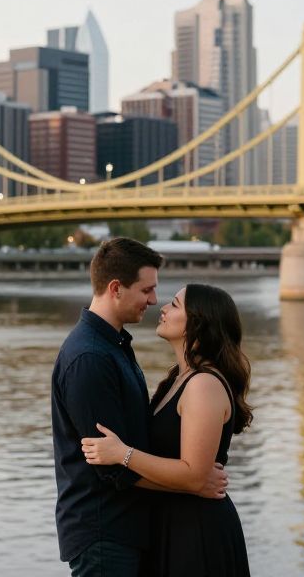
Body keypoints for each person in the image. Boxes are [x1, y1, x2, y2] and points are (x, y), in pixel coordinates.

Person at [51, 239, 229, 576]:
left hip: (128, 530)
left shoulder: (114, 346)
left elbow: (129, 445)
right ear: (116, 288)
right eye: (146, 290)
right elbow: (111, 470)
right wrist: (193, 482)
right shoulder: (90, 358)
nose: (153, 300)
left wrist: (191, 479)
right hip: (105, 531)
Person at [81, 283, 253, 577]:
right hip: (170, 524)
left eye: (174, 305)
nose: (161, 307)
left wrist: (122, 454)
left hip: (196, 532)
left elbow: (194, 475)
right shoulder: (179, 378)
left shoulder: (203, 385)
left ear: (197, 323)